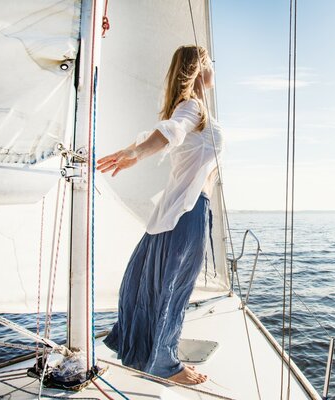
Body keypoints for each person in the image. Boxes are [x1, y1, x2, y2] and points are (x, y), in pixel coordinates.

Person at [96, 45, 222, 385]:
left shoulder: (189, 109)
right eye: (211, 62)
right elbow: (171, 131)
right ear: (198, 68)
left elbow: (170, 134)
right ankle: (166, 364)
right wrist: (136, 151)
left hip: (177, 212)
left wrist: (138, 151)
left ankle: (146, 351)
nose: (215, 68)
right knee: (174, 288)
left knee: (157, 286)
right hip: (189, 211)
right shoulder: (192, 109)